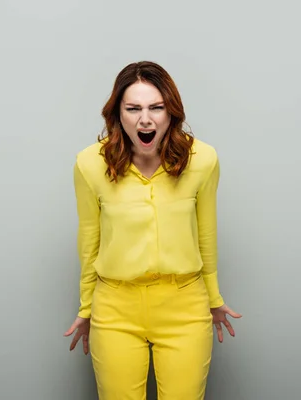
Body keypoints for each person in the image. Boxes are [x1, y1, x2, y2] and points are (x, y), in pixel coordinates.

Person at [63, 60, 241, 399]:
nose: (145, 119)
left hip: (184, 305)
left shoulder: (202, 159)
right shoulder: (90, 164)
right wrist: (86, 308)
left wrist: (214, 298)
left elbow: (206, 234)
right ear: (118, 114)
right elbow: (89, 242)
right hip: (115, 307)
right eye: (133, 108)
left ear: (171, 112)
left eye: (156, 108)